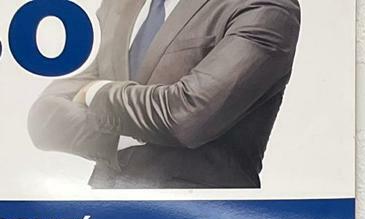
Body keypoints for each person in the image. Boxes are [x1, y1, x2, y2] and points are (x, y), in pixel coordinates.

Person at [28, 0, 302, 189]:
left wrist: (95, 91)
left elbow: (185, 116)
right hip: (104, 213)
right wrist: (123, 137)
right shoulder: (119, 5)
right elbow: (45, 118)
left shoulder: (265, 7)